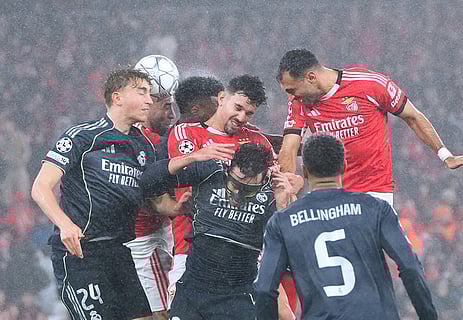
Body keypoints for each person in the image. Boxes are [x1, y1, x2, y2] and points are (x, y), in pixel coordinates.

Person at [254, 134, 439, 320]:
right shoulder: (375, 209)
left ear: (305, 172)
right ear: (344, 167)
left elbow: (265, 288)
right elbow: (410, 266)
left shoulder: (282, 222)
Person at [167, 74, 296, 319]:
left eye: (248, 113)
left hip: (245, 254)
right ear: (222, 98)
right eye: (238, 108)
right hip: (194, 250)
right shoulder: (187, 134)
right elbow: (183, 173)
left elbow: (281, 183)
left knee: (285, 314)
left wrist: (290, 181)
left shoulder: (257, 141)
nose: (241, 117)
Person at [277, 48, 463, 205]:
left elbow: (413, 117)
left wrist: (446, 155)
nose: (291, 96)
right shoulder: (299, 103)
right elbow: (289, 147)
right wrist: (288, 182)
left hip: (374, 193)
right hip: (331, 192)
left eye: (292, 89)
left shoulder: (370, 84)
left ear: (311, 78)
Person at [31, 68, 155, 320]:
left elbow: (152, 201)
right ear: (117, 97)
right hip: (81, 254)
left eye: (150, 94)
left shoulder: (144, 147)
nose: (149, 100)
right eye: (142, 92)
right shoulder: (83, 136)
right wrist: (65, 225)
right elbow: (40, 187)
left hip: (120, 252)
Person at [140, 142, 295, 319]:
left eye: (247, 189)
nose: (237, 192)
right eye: (234, 183)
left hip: (239, 294)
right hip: (195, 289)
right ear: (230, 168)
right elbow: (148, 181)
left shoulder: (274, 190)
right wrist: (191, 158)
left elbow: (286, 253)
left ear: (264, 176)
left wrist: (283, 205)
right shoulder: (212, 170)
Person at [124, 55, 181, 320]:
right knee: (161, 315)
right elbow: (151, 199)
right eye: (167, 106)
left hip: (139, 241)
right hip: (146, 242)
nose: (172, 114)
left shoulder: (130, 134)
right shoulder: (149, 142)